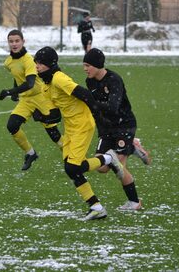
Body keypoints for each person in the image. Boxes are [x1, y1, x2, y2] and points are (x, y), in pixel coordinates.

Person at [33, 46, 124, 221]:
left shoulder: (59, 79)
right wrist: (40, 115)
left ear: (50, 64)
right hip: (71, 127)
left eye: (41, 63)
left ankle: (108, 159)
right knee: (71, 168)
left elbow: (84, 95)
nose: (37, 66)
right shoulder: (46, 84)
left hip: (82, 124)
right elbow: (56, 114)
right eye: (36, 63)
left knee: (72, 168)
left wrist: (98, 114)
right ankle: (96, 207)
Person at [82, 48, 151, 210]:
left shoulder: (114, 80)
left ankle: (134, 202)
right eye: (84, 65)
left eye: (88, 65)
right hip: (106, 128)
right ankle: (132, 147)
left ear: (98, 65)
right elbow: (96, 109)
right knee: (101, 167)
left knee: (118, 167)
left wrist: (90, 102)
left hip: (124, 125)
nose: (85, 69)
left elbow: (112, 107)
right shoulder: (90, 82)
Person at [0, 30, 64, 171]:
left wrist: (10, 91)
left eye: (17, 41)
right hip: (26, 100)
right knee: (12, 126)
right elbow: (17, 76)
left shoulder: (29, 60)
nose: (14, 44)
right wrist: (16, 91)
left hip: (40, 97)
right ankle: (30, 153)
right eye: (11, 41)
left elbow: (29, 83)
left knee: (53, 133)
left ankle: (71, 157)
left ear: (23, 41)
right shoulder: (8, 62)